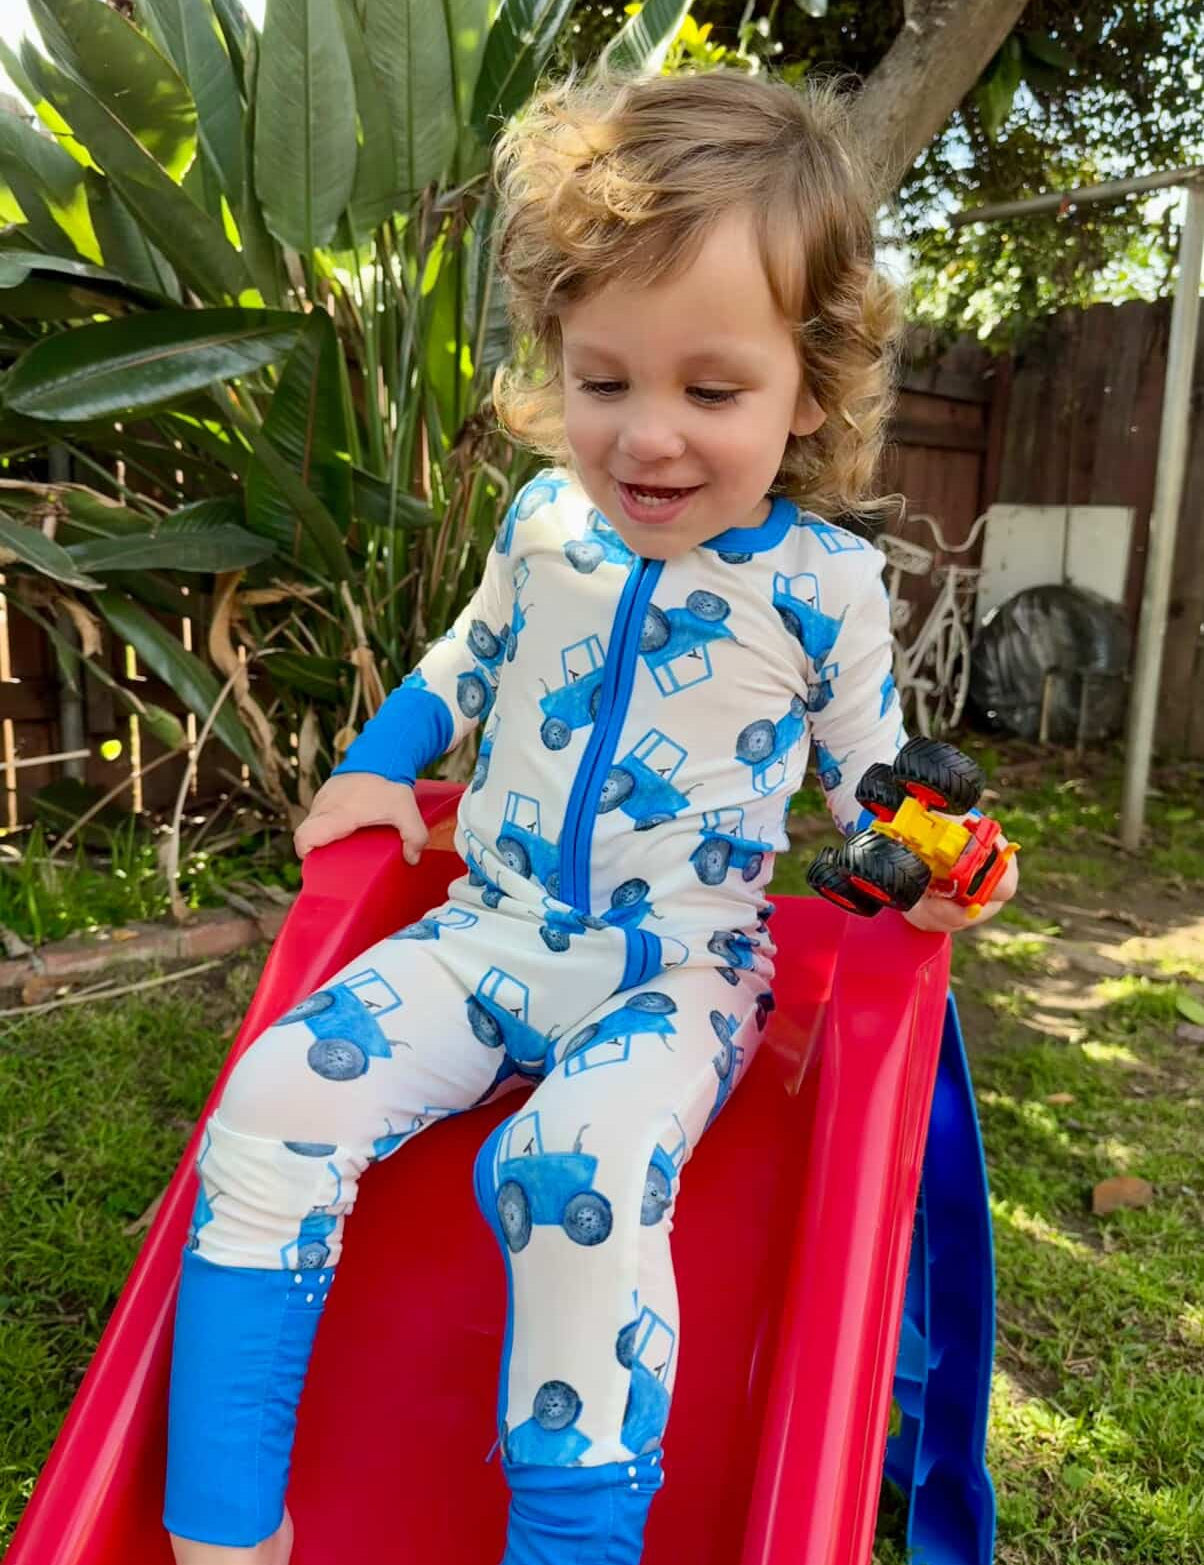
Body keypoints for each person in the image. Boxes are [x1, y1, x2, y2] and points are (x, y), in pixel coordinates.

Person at [163, 64, 1019, 1565]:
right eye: (604, 379)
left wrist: (949, 867)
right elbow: (463, 666)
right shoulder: (544, 521)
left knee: (575, 1166)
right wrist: (378, 761)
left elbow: (882, 790)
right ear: (559, 356)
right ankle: (221, 1528)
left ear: (808, 384)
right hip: (484, 930)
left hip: (679, 971)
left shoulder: (821, 586)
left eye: (712, 388)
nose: (646, 438)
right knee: (272, 1104)